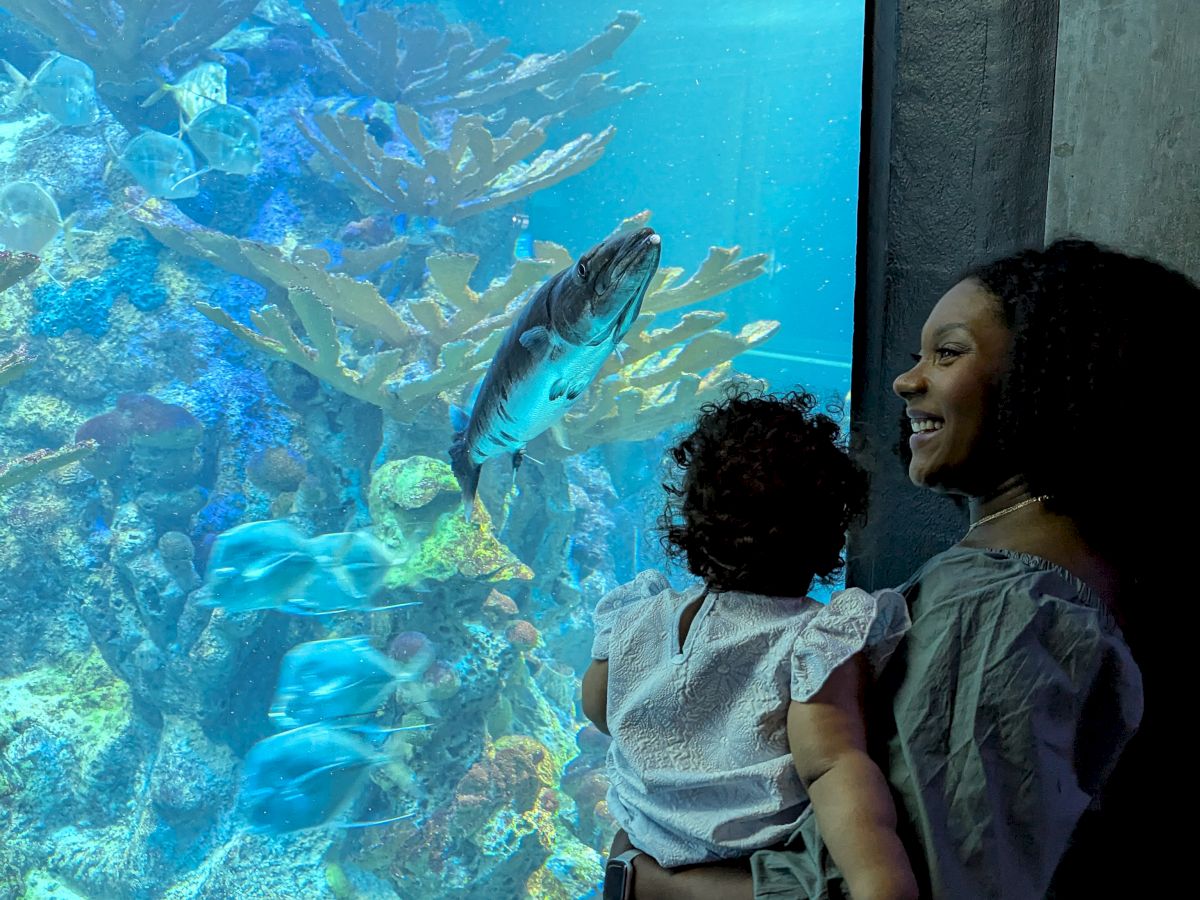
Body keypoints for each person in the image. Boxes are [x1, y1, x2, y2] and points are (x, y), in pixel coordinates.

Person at [608, 239, 1188, 898]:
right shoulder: (1059, 579)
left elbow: (920, 885)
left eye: (948, 352)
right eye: (919, 356)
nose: (907, 380)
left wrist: (644, 881)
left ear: (1049, 374)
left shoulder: (997, 608)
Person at [582, 388, 918, 900]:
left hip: (642, 850)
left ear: (692, 520)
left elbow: (600, 708)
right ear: (831, 530)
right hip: (746, 863)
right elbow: (832, 765)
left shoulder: (638, 617)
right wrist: (881, 883)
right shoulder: (811, 640)